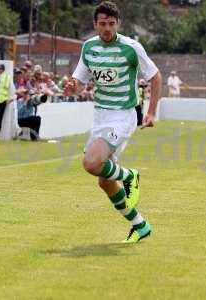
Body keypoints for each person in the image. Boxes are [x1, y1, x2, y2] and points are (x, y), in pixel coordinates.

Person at [65, 1, 162, 243]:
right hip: (100, 116)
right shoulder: (89, 48)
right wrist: (71, 88)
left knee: (90, 162)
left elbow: (155, 76)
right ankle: (140, 225)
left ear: (118, 23)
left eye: (111, 23)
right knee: (105, 182)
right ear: (95, 24)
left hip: (123, 115)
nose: (107, 28)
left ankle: (130, 176)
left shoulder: (131, 48)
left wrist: (150, 113)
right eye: (102, 24)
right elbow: (79, 84)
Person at [0, 64, 11, 138]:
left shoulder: (6, 77)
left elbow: (6, 86)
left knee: (0, 117)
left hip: (2, 100)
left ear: (2, 69)